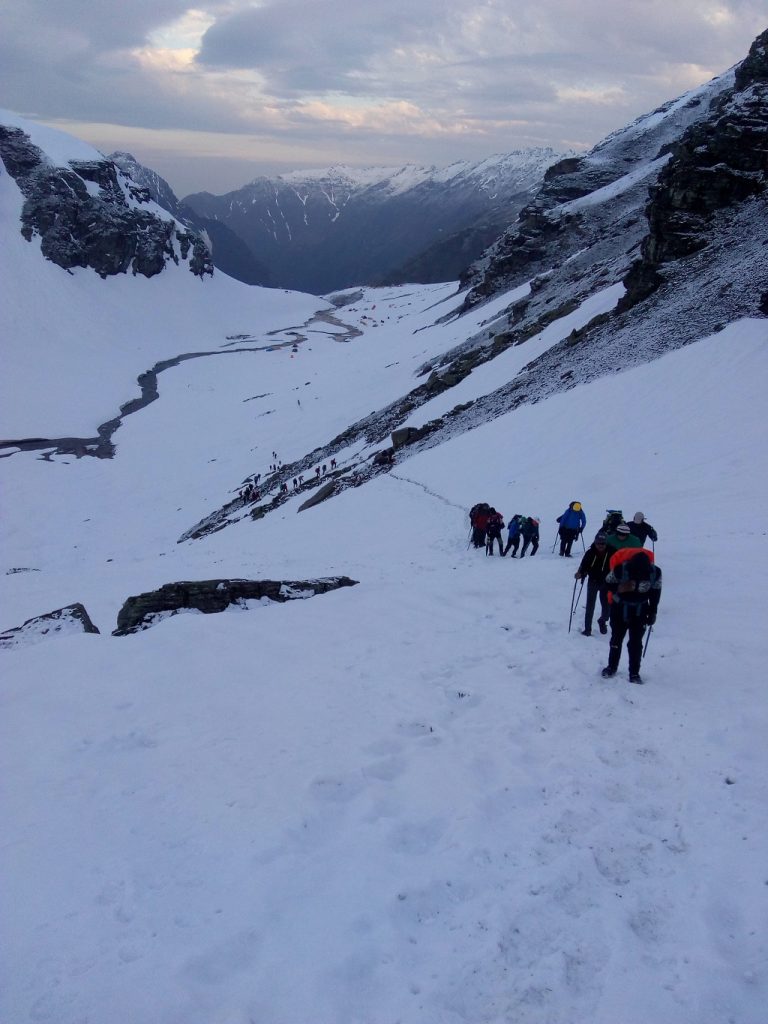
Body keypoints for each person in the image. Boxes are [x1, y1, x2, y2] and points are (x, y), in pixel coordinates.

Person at [601, 548, 662, 683]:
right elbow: (606, 584)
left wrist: (653, 612)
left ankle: (634, 673)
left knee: (636, 643)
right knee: (616, 639)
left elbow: (655, 593)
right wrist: (619, 588)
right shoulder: (620, 569)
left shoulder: (655, 573)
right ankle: (612, 666)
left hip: (640, 611)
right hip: (619, 608)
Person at [575, 532, 611, 635]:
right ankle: (587, 629)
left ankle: (602, 620)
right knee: (590, 606)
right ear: (595, 542)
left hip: (607, 583)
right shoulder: (590, 553)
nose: (600, 545)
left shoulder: (612, 552)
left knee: (607, 608)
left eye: (603, 543)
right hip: (593, 581)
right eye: (598, 543)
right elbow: (584, 566)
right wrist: (580, 574)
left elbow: (616, 566)